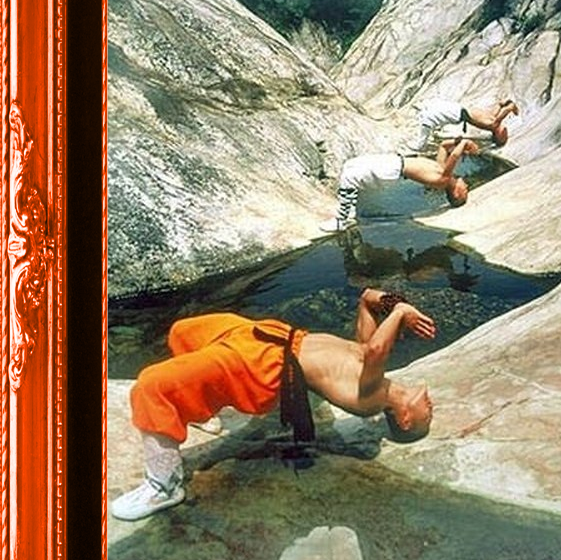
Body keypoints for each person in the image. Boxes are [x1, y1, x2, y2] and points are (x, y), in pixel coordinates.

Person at [111, 289, 435, 521]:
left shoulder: (371, 397)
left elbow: (375, 352)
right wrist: (387, 301)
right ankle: (203, 404)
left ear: (405, 419)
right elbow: (366, 305)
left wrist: (401, 313)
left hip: (264, 365)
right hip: (271, 336)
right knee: (184, 330)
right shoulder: (376, 375)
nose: (431, 407)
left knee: (152, 386)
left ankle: (164, 485)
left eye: (427, 416)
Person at [319, 137, 479, 233]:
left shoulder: (442, 180)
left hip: (393, 170)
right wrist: (459, 141)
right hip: (394, 161)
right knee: (351, 165)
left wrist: (464, 144)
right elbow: (444, 146)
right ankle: (350, 210)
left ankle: (342, 219)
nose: (467, 186)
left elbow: (455, 156)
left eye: (465, 190)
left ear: (456, 192)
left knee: (351, 177)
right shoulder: (443, 169)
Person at [409, 97, 519, 152]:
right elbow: (501, 114)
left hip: (464, 113)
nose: (505, 132)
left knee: (434, 115)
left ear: (498, 135)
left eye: (503, 136)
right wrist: (510, 107)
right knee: (435, 112)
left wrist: (504, 106)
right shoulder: (493, 124)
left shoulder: (492, 123)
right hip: (463, 113)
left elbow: (499, 114)